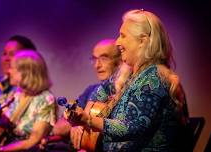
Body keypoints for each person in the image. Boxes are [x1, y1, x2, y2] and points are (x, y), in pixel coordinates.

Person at [65, 9, 191, 151]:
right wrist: (82, 122)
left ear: (142, 41)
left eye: (123, 36)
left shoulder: (154, 78)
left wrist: (87, 120)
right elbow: (100, 92)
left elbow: (132, 127)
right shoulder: (130, 75)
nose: (118, 42)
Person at [40, 39, 122, 151]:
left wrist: (85, 123)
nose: (97, 65)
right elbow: (58, 129)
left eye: (104, 58)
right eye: (94, 59)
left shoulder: (126, 93)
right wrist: (75, 123)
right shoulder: (91, 90)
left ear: (120, 60)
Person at [0, 50, 57, 151]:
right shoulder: (17, 94)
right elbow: (3, 129)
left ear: (25, 73)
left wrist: (2, 150)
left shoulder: (45, 99)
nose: (9, 71)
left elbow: (33, 141)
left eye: (12, 68)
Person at [0, 35, 36, 119]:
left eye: (12, 54)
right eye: (4, 54)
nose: (6, 58)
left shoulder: (34, 92)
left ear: (28, 60)